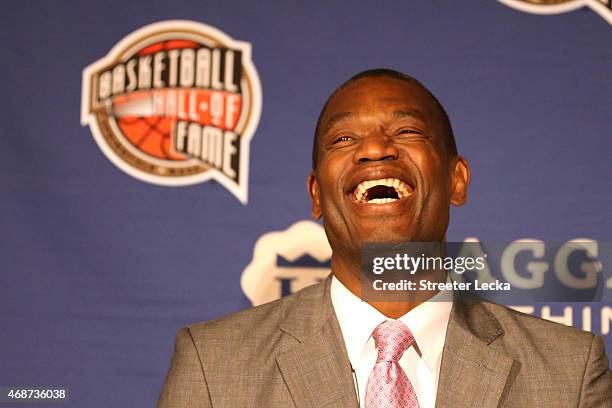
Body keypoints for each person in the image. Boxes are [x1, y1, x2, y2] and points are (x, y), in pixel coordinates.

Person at [158, 69, 612, 407]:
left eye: (407, 131)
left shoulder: (567, 368)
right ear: (316, 194)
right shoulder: (214, 364)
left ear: (456, 180)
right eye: (344, 139)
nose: (375, 149)